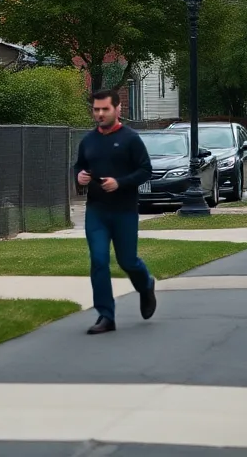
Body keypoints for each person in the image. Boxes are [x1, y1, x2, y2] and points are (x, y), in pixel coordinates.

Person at [74, 88, 157, 335]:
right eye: (96, 109)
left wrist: (120, 182)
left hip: (124, 211)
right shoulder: (88, 140)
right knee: (99, 260)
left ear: (117, 109)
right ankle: (105, 315)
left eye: (104, 109)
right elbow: (79, 166)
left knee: (127, 261)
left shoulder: (130, 139)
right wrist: (79, 177)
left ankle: (146, 285)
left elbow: (145, 170)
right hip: (96, 211)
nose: (99, 114)